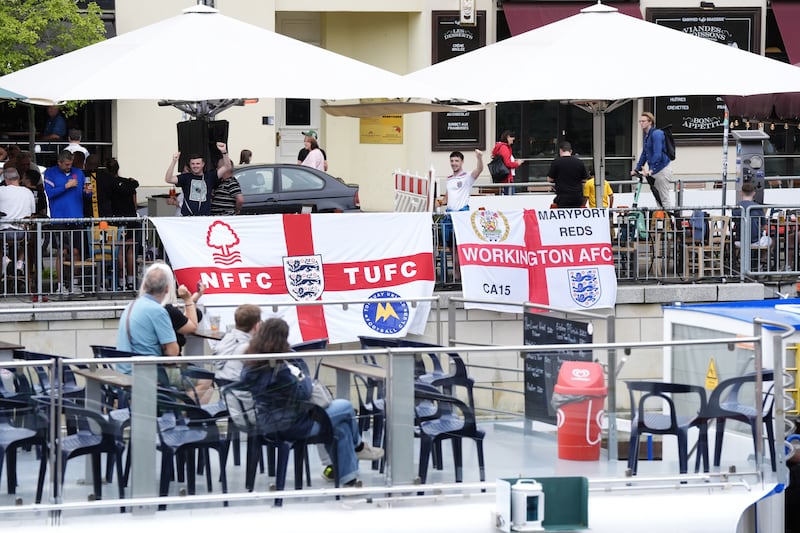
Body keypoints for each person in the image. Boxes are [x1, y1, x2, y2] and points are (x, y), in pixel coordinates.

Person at [240, 317, 383, 487]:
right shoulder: (279, 370)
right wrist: (305, 380)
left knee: (341, 428)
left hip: (268, 421)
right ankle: (359, 447)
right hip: (293, 425)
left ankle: (347, 479)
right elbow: (303, 392)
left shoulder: (251, 364)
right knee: (345, 407)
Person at [116, 262, 179, 375]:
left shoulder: (131, 305)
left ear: (144, 286)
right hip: (147, 373)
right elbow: (173, 352)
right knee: (205, 380)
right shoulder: (158, 311)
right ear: (167, 289)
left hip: (125, 369)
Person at [43, 150, 92, 292]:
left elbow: (87, 193)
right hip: (59, 218)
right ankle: (60, 285)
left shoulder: (79, 173)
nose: (68, 167)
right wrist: (66, 186)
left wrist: (88, 192)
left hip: (76, 217)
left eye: (70, 164)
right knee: (61, 252)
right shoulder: (50, 173)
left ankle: (75, 284)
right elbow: (50, 193)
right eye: (66, 165)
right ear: (59, 162)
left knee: (76, 251)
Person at [102, 158, 140, 289]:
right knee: (130, 251)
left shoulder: (107, 185)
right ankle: (130, 281)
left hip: (116, 221)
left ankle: (120, 281)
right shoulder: (129, 184)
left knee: (119, 251)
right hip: (131, 219)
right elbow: (135, 204)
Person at [164, 143, 232, 216]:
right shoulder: (186, 177)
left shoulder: (210, 176)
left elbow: (227, 167)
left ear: (203, 164)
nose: (195, 166)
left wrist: (224, 152)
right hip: (187, 217)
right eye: (193, 164)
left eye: (197, 163)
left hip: (204, 218)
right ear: (190, 165)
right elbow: (168, 179)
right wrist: (174, 161)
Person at [632, 111, 674, 210]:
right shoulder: (647, 136)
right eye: (640, 121)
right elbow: (644, 154)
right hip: (654, 170)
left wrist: (652, 169)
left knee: (664, 197)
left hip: (661, 169)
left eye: (643, 121)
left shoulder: (657, 134)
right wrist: (637, 169)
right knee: (657, 197)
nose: (641, 123)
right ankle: (662, 221)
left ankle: (670, 222)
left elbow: (657, 153)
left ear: (650, 122)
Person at [212, 303, 262, 383]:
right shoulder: (250, 347)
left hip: (224, 386)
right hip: (243, 390)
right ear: (257, 326)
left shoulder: (226, 339)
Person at [0, 167, 36, 276]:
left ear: (6, 179)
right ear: (19, 178)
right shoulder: (28, 192)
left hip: (4, 232)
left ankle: (5, 259)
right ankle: (19, 262)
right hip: (23, 232)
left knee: (1, 245)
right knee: (24, 244)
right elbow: (32, 213)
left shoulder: (1, 190)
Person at [547, 141, 588, 208]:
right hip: (577, 197)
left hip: (562, 197)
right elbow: (585, 179)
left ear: (560, 150)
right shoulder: (579, 162)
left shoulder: (556, 162)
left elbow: (549, 179)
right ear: (571, 151)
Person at [490, 130, 522, 195]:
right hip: (507, 179)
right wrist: (517, 163)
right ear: (507, 137)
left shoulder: (501, 147)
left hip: (503, 178)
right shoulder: (504, 148)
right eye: (512, 137)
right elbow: (507, 163)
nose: (513, 139)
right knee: (510, 198)